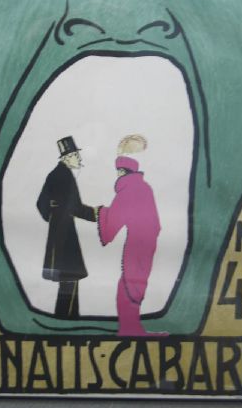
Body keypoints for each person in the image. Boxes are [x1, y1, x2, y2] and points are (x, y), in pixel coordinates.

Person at [98, 155, 163, 336]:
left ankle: (129, 327)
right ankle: (130, 326)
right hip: (148, 242)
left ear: (123, 172)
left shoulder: (128, 189)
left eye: (118, 171)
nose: (117, 175)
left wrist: (102, 212)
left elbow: (113, 223)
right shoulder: (145, 187)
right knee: (135, 282)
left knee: (129, 282)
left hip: (137, 243)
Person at [37, 136, 97, 318]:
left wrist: (53, 216)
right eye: (76, 156)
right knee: (70, 277)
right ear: (67, 157)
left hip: (59, 230)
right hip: (65, 234)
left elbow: (41, 204)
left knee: (68, 279)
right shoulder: (64, 176)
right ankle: (67, 318)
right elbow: (75, 207)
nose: (79, 159)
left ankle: (66, 317)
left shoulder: (55, 174)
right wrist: (98, 214)